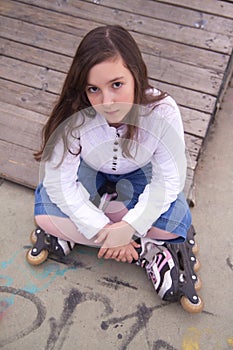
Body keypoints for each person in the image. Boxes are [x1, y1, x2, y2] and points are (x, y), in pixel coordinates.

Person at [31, 24, 191, 267]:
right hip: (88, 171)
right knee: (44, 212)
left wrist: (130, 225)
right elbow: (58, 180)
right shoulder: (77, 113)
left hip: (140, 173)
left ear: (135, 75)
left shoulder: (162, 111)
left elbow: (169, 178)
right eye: (94, 89)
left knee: (177, 222)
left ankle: (82, 234)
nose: (107, 102)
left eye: (117, 84)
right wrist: (106, 229)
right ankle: (141, 247)